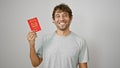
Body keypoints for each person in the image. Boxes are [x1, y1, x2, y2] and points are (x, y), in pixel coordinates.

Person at [27, 3, 89, 68]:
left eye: (65, 15)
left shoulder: (80, 41)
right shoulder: (45, 39)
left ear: (71, 18)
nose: (61, 19)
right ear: (53, 20)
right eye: (58, 16)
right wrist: (31, 45)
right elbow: (35, 63)